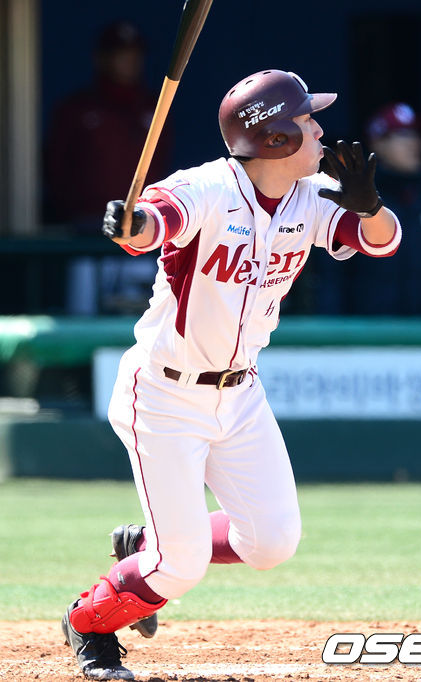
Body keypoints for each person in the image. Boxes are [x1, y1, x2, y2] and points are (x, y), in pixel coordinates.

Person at [61, 69, 402, 680]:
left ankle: (149, 544)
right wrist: (131, 224)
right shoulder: (205, 188)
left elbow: (383, 244)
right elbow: (153, 224)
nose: (319, 130)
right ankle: (89, 623)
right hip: (164, 395)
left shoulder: (313, 194)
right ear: (275, 139)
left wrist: (369, 207)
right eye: (306, 120)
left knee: (272, 543)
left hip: (240, 395)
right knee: (181, 566)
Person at [45, 21, 172, 314]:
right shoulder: (77, 108)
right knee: (84, 319)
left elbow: (162, 167)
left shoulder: (153, 107)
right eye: (119, 53)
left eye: (133, 53)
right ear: (101, 58)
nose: (128, 60)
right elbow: (56, 169)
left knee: (144, 318)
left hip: (141, 230)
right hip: (88, 236)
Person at [339, 101, 421, 315]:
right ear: (378, 143)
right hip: (370, 326)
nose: (414, 143)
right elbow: (336, 274)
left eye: (416, 135)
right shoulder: (359, 193)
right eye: (403, 135)